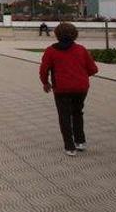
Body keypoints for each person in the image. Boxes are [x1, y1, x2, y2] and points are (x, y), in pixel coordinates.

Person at [39, 22, 98, 156]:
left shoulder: (50, 51)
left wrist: (45, 83)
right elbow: (93, 69)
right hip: (81, 88)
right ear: (75, 34)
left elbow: (43, 70)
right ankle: (80, 142)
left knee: (64, 116)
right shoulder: (81, 49)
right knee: (77, 113)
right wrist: (80, 76)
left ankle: (70, 147)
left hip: (61, 89)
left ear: (57, 34)